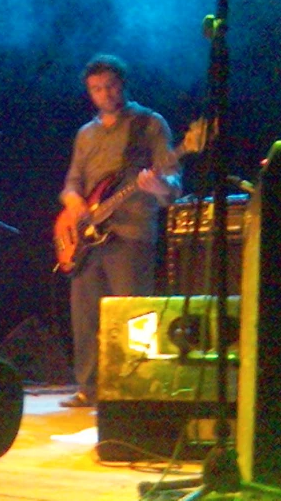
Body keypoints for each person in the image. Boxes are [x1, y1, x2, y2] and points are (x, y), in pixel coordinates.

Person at [58, 54, 183, 408]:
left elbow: (173, 180)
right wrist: (72, 202)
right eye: (96, 89)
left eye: (110, 86)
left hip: (132, 233)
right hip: (88, 237)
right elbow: (72, 183)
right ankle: (89, 388)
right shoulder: (86, 134)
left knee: (132, 315)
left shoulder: (149, 125)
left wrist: (158, 186)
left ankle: (136, 389)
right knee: (85, 315)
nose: (105, 94)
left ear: (123, 84)